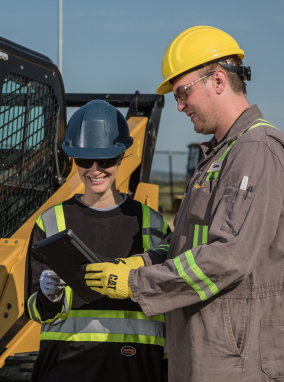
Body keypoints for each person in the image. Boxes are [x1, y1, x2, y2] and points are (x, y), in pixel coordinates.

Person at [84, 26, 284, 382]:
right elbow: (187, 241)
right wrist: (142, 260)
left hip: (237, 353)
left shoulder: (257, 148)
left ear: (218, 80)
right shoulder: (220, 154)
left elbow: (229, 255)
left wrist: (138, 282)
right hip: (210, 343)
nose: (180, 105)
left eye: (183, 92)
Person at [24, 100, 171, 382]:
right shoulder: (51, 222)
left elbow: (168, 298)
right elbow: (35, 310)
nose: (94, 170)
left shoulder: (152, 224)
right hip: (67, 369)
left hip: (137, 369)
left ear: (120, 157)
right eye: (84, 160)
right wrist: (46, 295)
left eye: (105, 160)